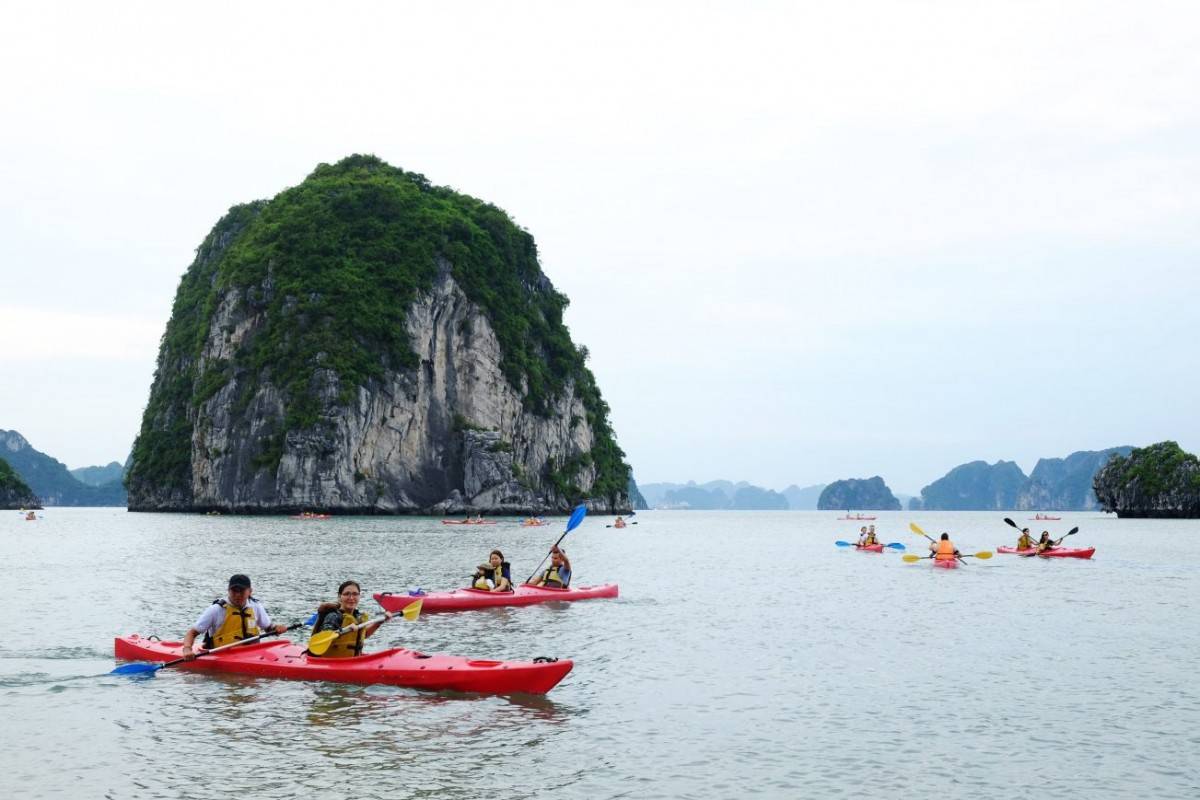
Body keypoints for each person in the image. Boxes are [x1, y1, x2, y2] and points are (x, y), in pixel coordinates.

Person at [179, 574, 287, 659]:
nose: (237, 595)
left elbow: (269, 628)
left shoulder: (256, 606)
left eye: (241, 591)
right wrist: (187, 649)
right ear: (228, 591)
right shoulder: (216, 609)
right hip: (221, 655)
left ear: (250, 591)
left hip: (252, 654)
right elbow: (191, 633)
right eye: (234, 591)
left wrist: (276, 629)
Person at [308, 580, 392, 658]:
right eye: (346, 594)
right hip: (331, 663)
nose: (351, 598)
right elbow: (324, 638)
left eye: (355, 594)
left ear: (359, 596)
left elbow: (363, 635)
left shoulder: (358, 616)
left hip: (351, 661)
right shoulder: (333, 616)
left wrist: (379, 622)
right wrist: (345, 630)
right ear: (339, 596)